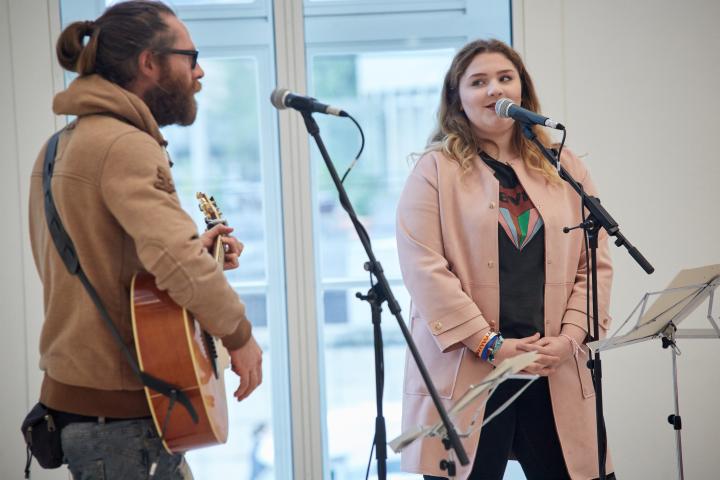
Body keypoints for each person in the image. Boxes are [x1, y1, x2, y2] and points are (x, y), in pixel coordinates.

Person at [27, 1, 262, 478]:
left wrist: (205, 256)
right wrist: (240, 336)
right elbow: (174, 260)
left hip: (86, 407)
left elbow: (107, 266)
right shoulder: (124, 144)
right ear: (149, 63)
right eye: (190, 56)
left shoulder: (60, 146)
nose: (200, 71)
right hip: (121, 418)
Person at [395, 39, 615, 480]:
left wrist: (570, 337)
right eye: (478, 82)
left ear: (522, 91)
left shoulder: (564, 166)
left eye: (504, 78)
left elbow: (595, 264)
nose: (494, 89)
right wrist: (490, 344)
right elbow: (424, 269)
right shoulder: (434, 170)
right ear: (457, 97)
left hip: (550, 364)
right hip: (471, 367)